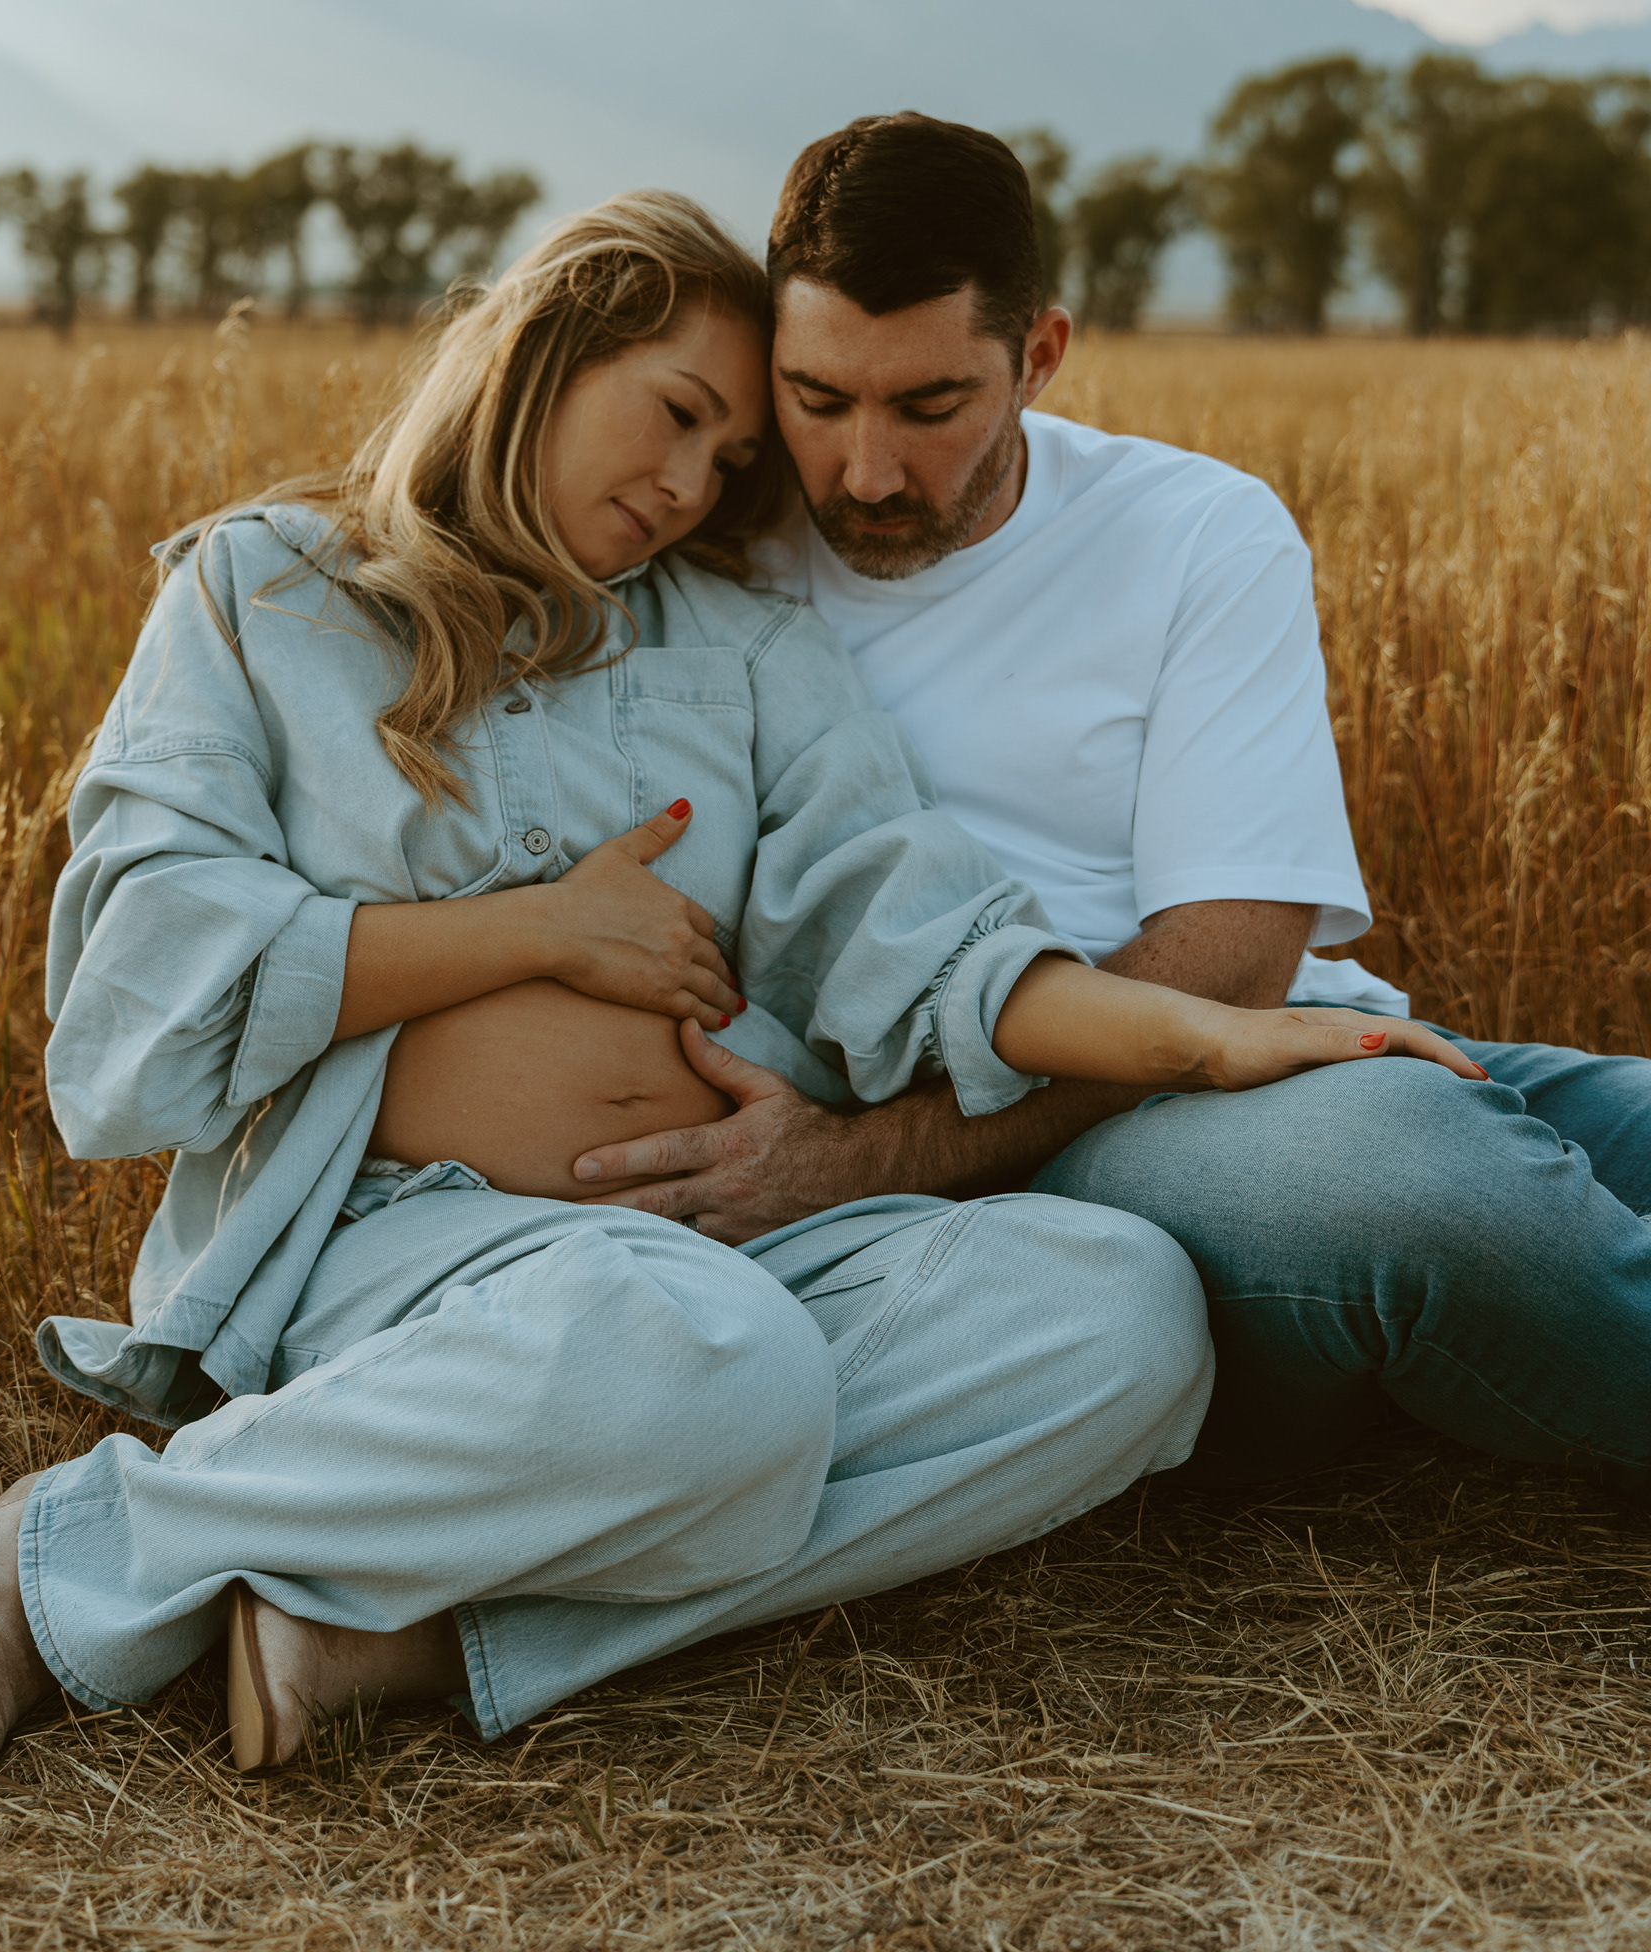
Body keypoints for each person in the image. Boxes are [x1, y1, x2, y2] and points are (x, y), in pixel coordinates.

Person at [0, 189, 1470, 1780]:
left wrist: (1203, 1036)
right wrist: (536, 932)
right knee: (714, 1359)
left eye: (731, 459)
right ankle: (57, 1559)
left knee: (1120, 1315)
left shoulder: (750, 649)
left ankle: (420, 1635)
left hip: (725, 1237)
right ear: (546, 349)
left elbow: (925, 937)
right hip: (393, 1231)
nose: (691, 486)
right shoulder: (269, 591)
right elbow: (146, 962)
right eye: (680, 415)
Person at [570, 113, 1651, 1502]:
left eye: (931, 407)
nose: (866, 470)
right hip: (1109, 1160)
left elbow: (1237, 964)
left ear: (1040, 356)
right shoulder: (695, 547)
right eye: (817, 400)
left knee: (1505, 1126)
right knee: (1417, 1183)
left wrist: (859, 1161)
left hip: (1252, 1049)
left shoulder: (1197, 529)